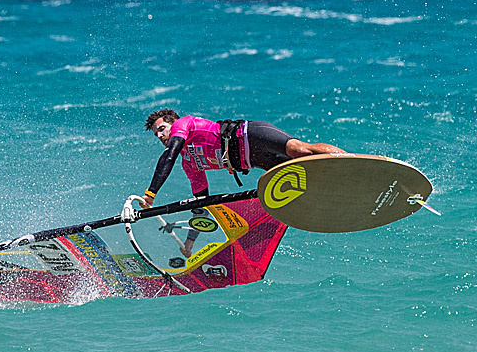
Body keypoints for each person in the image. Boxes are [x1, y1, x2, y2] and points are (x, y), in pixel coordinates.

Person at [138, 109, 345, 256]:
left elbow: (169, 156)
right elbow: (201, 206)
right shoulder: (190, 164)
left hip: (250, 135)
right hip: (253, 159)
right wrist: (189, 243)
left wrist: (151, 193)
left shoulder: (184, 124)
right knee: (297, 179)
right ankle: (337, 193)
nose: (159, 135)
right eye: (156, 133)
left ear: (173, 123)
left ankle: (353, 161)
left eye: (162, 128)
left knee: (299, 150)